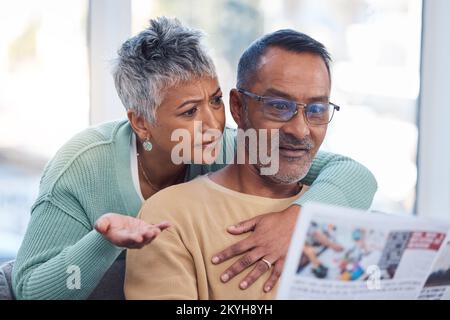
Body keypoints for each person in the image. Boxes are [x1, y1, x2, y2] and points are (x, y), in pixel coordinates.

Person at [12, 17, 376, 300]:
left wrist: (298, 221)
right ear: (142, 122)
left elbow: (352, 173)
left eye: (215, 102)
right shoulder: (84, 166)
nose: (214, 123)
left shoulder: (227, 146)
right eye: (189, 111)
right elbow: (29, 289)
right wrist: (104, 241)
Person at [125, 29, 376, 299]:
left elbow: (359, 175)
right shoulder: (169, 216)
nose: (301, 130)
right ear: (237, 107)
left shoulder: (339, 210)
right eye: (279, 106)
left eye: (316, 110)